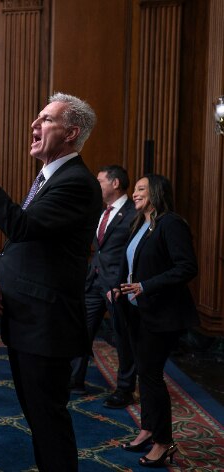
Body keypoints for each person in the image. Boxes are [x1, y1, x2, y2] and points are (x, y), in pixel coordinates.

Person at [0, 93, 102, 471]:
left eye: (46, 120)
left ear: (71, 133)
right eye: (37, 118)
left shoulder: (76, 183)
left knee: (48, 423)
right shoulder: (49, 178)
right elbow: (38, 246)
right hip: (29, 321)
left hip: (46, 326)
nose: (34, 126)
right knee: (40, 421)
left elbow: (21, 229)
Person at [110, 174, 198, 467]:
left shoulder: (170, 223)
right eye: (134, 189)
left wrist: (145, 286)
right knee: (144, 375)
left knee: (150, 375)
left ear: (157, 192)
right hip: (138, 311)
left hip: (162, 314)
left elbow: (186, 267)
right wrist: (118, 288)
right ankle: (148, 429)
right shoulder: (141, 224)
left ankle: (163, 441)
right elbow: (132, 265)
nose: (134, 193)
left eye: (141, 189)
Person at [69, 165, 137, 406]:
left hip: (116, 286)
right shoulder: (100, 211)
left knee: (122, 337)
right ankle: (74, 379)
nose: (96, 185)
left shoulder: (133, 213)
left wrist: (122, 283)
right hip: (92, 283)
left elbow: (134, 252)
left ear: (115, 183)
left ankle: (125, 389)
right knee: (81, 331)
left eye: (100, 181)